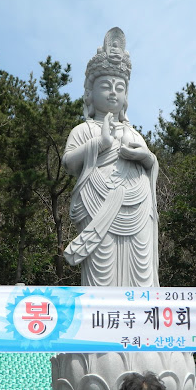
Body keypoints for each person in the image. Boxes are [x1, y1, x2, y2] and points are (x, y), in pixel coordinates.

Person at [62, 27, 159, 287]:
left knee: (139, 269)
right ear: (89, 94)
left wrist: (147, 158)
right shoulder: (83, 130)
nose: (113, 92)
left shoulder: (134, 133)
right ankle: (103, 319)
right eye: (106, 86)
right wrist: (99, 143)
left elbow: (150, 164)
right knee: (101, 267)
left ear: (126, 97)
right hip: (98, 203)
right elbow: (69, 162)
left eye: (120, 87)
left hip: (137, 206)